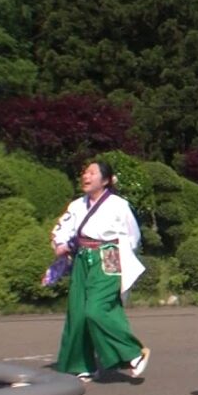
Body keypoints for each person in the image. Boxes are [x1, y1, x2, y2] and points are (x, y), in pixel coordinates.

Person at [51, 161, 150, 383]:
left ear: (105, 180)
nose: (86, 176)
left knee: (96, 308)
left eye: (92, 173)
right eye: (85, 172)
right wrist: (60, 244)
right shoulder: (77, 205)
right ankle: (82, 365)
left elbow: (133, 237)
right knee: (78, 312)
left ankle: (133, 353)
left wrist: (121, 256)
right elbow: (63, 227)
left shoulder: (119, 205)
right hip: (82, 257)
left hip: (109, 255)